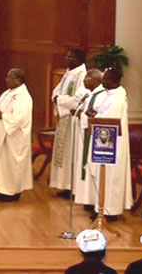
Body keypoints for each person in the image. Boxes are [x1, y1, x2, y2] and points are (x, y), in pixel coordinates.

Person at [86, 68, 133, 220]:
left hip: (113, 145)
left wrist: (95, 116)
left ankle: (109, 211)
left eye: (105, 79)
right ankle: (100, 206)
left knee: (111, 177)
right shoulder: (110, 95)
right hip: (104, 143)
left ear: (113, 80)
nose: (103, 81)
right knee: (102, 176)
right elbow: (101, 112)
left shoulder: (118, 98)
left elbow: (108, 117)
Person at [0, 69, 33, 201]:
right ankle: (2, 189)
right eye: (7, 76)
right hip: (3, 133)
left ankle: (13, 192)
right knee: (2, 163)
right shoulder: (7, 93)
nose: (6, 79)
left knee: (13, 164)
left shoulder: (24, 97)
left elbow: (19, 118)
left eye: (10, 77)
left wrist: (1, 115)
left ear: (18, 80)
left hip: (14, 136)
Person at [50, 49, 88, 198]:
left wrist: (59, 100)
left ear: (79, 59)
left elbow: (78, 100)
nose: (67, 58)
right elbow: (56, 92)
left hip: (74, 120)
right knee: (64, 153)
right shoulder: (68, 73)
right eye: (67, 55)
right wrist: (57, 98)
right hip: (65, 118)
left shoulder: (83, 76)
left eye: (71, 56)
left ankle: (73, 187)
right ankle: (65, 185)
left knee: (72, 153)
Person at [71, 69, 108, 211]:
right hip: (86, 134)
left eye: (87, 78)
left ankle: (94, 201)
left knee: (92, 168)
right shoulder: (91, 95)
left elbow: (97, 116)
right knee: (85, 166)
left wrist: (82, 115)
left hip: (94, 138)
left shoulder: (102, 96)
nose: (84, 80)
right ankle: (88, 199)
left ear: (96, 80)